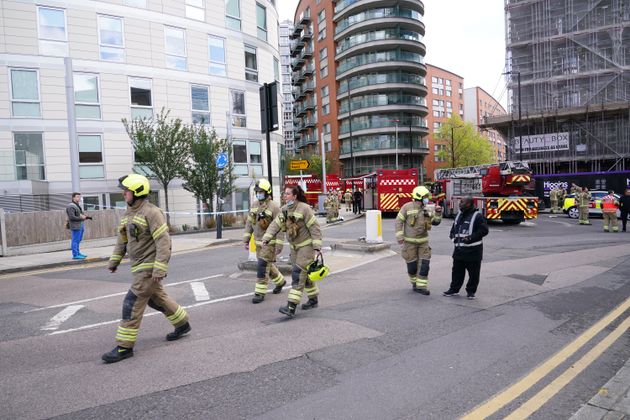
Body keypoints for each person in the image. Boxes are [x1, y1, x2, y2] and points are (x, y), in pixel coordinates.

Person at [102, 174, 191, 363]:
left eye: (126, 191)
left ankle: (124, 347)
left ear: (137, 192)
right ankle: (183, 323)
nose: (124, 194)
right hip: (139, 267)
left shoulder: (152, 212)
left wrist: (159, 268)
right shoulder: (128, 214)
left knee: (131, 303)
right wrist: (114, 262)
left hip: (148, 269)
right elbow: (122, 241)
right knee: (156, 299)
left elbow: (163, 241)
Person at [263, 185, 322, 318]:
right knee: (305, 275)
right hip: (295, 248)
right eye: (284, 194)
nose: (285, 196)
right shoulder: (284, 210)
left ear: (294, 196)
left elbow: (314, 227)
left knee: (298, 273)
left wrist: (317, 246)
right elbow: (275, 225)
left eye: (288, 194)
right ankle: (313, 299)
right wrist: (267, 237)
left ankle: (291, 306)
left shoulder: (304, 208)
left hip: (306, 247)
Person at [243, 179, 286, 304]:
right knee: (268, 265)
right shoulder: (254, 205)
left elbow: (280, 227)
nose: (258, 193)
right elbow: (249, 223)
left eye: (261, 191)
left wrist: (279, 244)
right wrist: (246, 239)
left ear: (267, 192)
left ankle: (259, 293)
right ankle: (280, 281)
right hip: (257, 243)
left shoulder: (274, 207)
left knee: (262, 266)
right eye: (257, 191)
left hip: (270, 243)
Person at [395, 186, 442, 295]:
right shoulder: (406, 207)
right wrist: (400, 238)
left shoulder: (427, 209)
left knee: (424, 265)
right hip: (409, 243)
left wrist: (438, 213)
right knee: (412, 266)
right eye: (425, 197)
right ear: (419, 197)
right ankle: (414, 283)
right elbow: (398, 222)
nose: (427, 198)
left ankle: (421, 287)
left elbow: (435, 222)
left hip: (423, 243)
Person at [443, 196, 489, 299]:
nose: (460, 204)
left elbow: (484, 230)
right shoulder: (459, 214)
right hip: (459, 251)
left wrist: (470, 238)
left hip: (473, 251)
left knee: (473, 274)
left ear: (469, 204)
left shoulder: (478, 216)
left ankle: (471, 291)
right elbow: (454, 228)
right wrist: (452, 237)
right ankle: (454, 289)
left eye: (462, 202)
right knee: (456, 272)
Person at [66, 192, 89, 260]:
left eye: (79, 196)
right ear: (73, 197)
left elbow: (79, 214)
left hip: (80, 224)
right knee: (75, 240)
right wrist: (81, 218)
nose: (79, 198)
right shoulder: (71, 206)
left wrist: (83, 216)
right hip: (75, 225)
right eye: (77, 197)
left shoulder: (77, 205)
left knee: (78, 240)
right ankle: (75, 255)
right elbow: (71, 217)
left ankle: (78, 253)